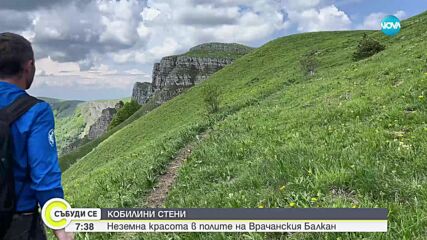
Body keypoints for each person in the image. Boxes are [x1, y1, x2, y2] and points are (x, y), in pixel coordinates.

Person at [0, 33, 73, 240]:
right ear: (29, 66)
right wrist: (61, 226)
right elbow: (44, 175)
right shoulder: (36, 111)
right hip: (17, 223)